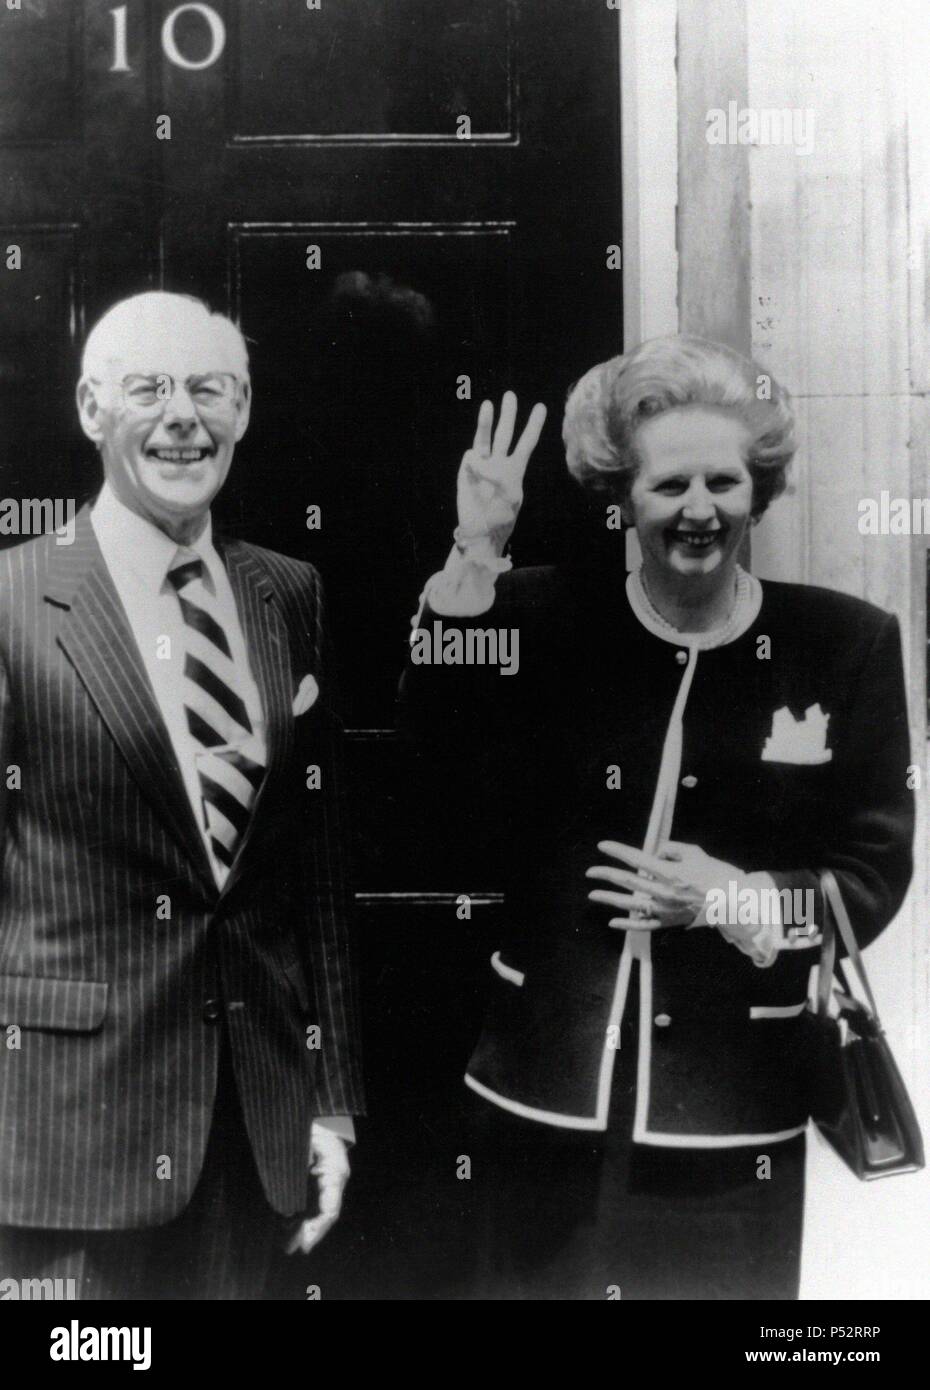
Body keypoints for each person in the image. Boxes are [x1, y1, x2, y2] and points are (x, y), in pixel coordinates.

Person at [400, 334, 914, 1300]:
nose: (699, 509)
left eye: (725, 481)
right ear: (622, 497)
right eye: (669, 484)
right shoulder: (539, 616)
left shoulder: (841, 643)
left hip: (733, 1118)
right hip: (539, 1099)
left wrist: (737, 898)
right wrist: (476, 556)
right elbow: (431, 752)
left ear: (758, 492)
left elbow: (872, 876)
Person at [0, 292, 364, 1299]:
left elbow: (313, 874)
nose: (181, 418)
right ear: (88, 408)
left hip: (248, 1137)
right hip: (58, 1147)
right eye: (147, 389)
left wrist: (327, 1103)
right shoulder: (12, 604)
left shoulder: (285, 591)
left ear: (243, 411)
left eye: (210, 390)